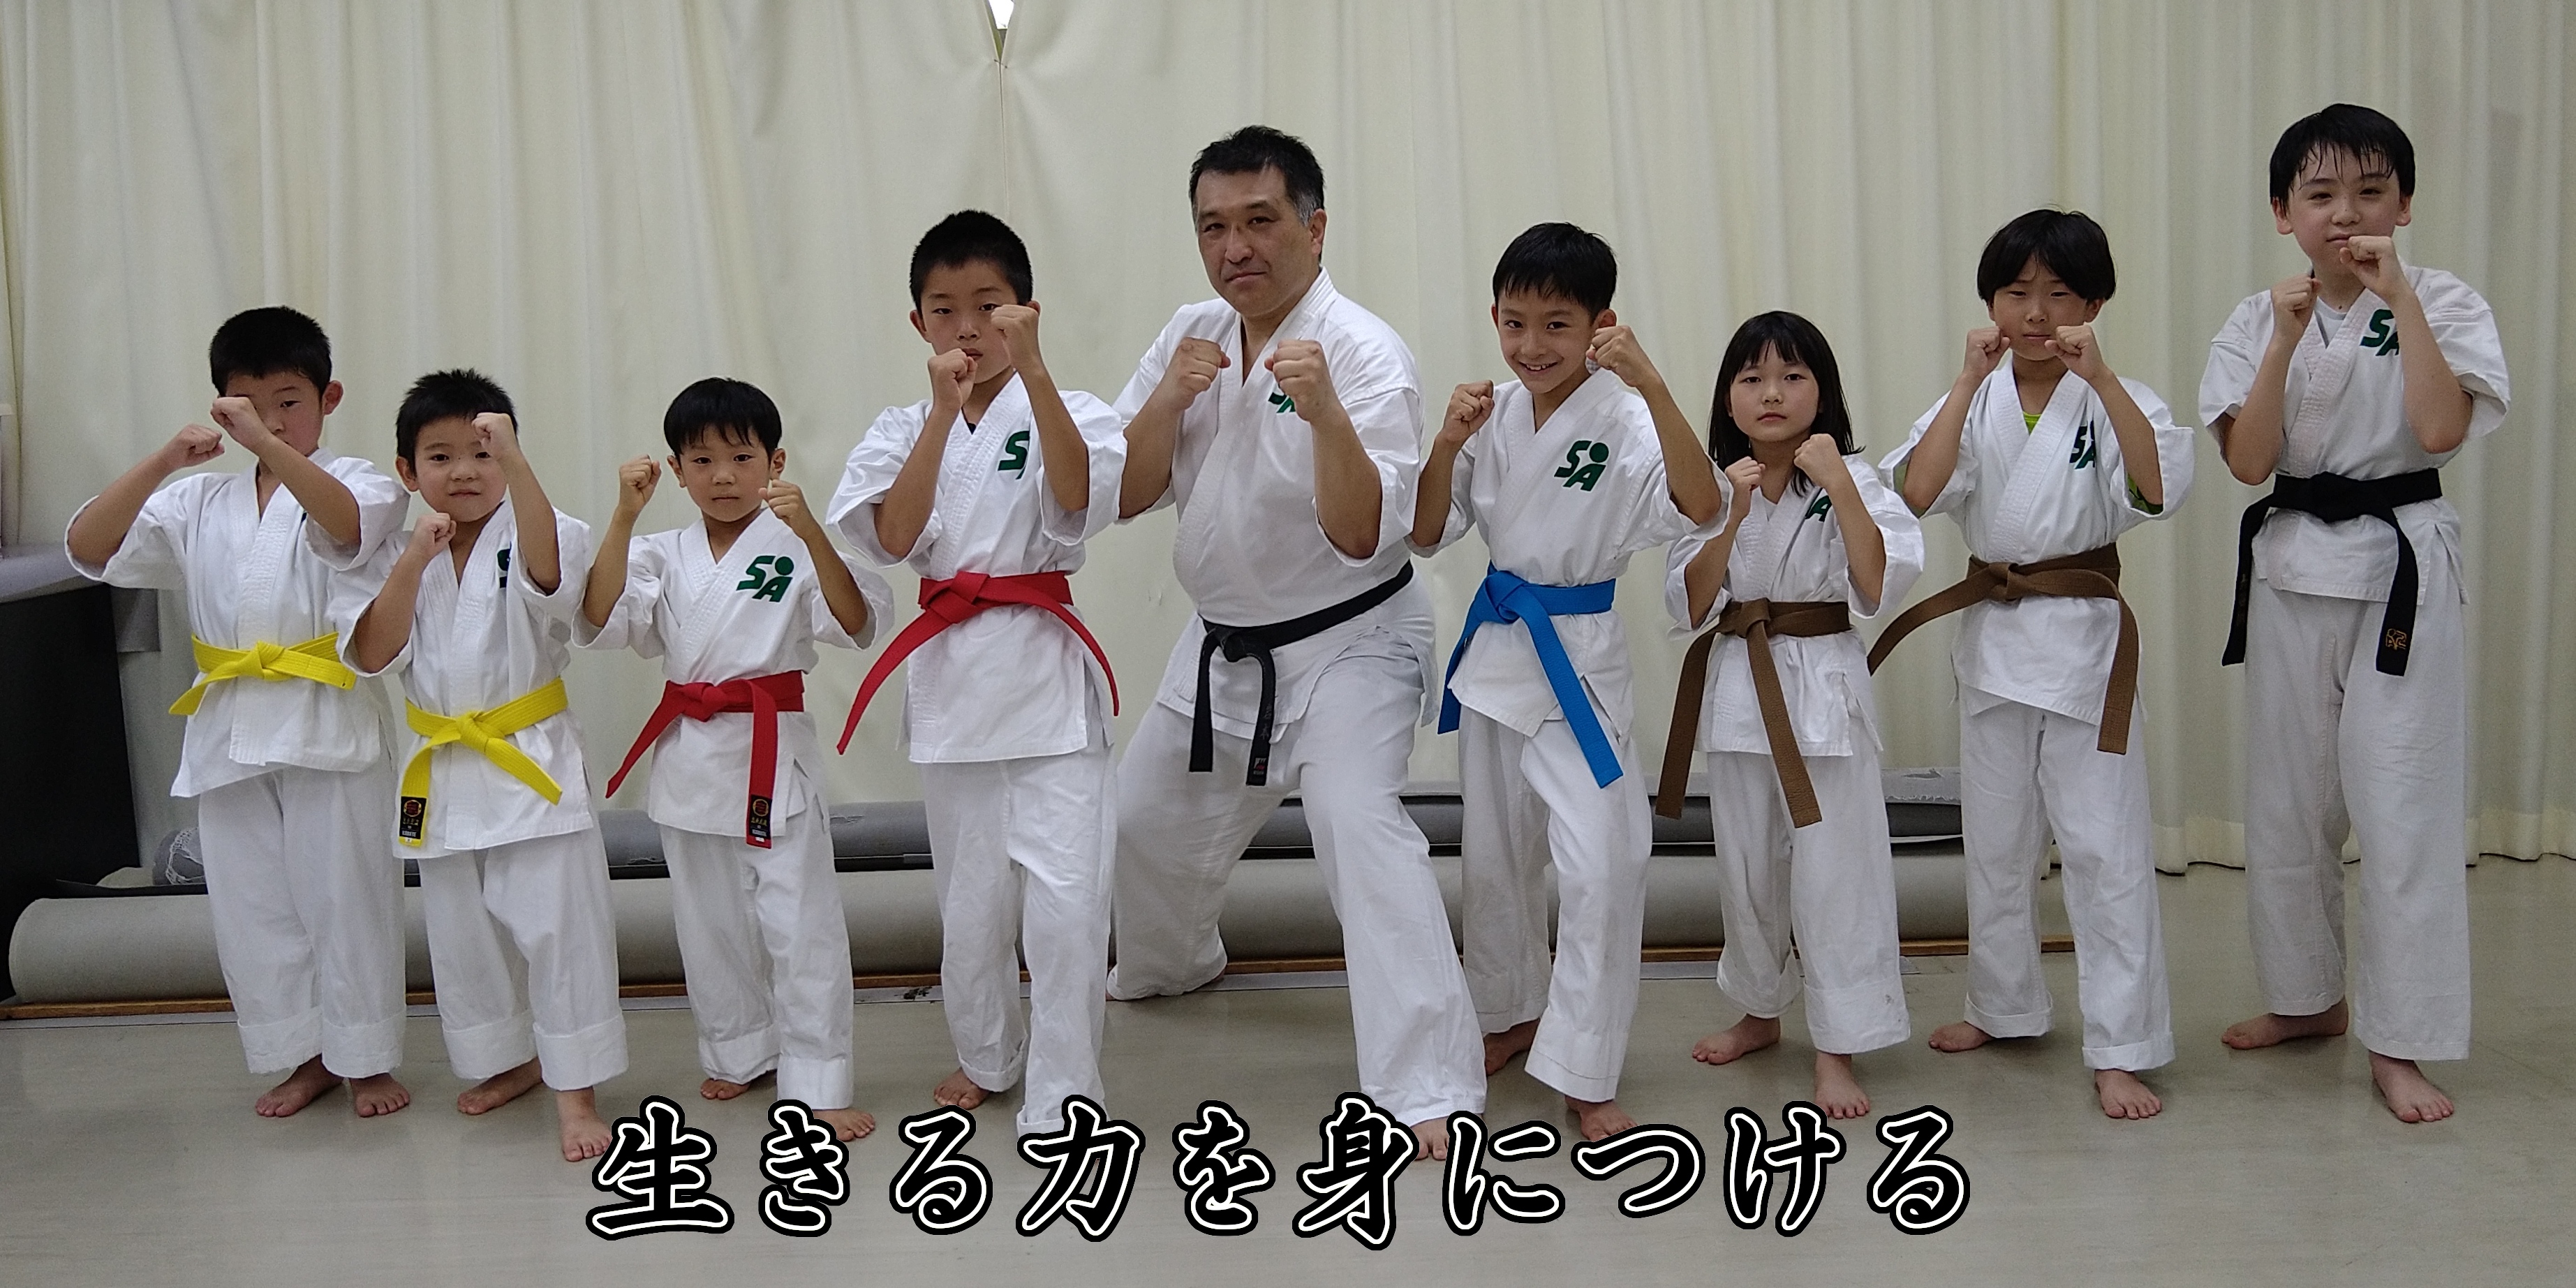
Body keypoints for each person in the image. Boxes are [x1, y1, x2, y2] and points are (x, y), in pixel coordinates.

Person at [1106, 125, 1482, 1158]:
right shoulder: (1191, 335)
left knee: (1359, 829)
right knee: (1138, 824)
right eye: (1213, 227)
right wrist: (1168, 398)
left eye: (1260, 221)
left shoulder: (1362, 351)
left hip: (1349, 643)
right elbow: (1126, 493)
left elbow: (1366, 533)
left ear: (1315, 229)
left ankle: (1429, 1081)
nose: (1236, 248)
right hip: (1223, 646)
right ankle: (1174, 964)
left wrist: (1325, 417)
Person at [2200, 104, 2508, 1124]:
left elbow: (2438, 428)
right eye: (2321, 195)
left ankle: (2401, 1040)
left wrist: (2399, 300)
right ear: (2282, 211)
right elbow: (2249, 462)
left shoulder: (2444, 301)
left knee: (2402, 806)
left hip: (2398, 568)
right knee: (2288, 804)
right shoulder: (2258, 317)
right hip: (2293, 565)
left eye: (2370, 192)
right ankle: (2307, 1000)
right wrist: (2285, 342)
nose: (2346, 214)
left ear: (2403, 205)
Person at [1876, 209, 2193, 1119]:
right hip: (1994, 642)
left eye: (2059, 294)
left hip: (2085, 647)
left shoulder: (2119, 399)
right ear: (1991, 303)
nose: (2036, 313)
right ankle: (2004, 1005)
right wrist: (1963, 381)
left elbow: (2154, 490)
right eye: (2016, 293)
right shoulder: (1973, 400)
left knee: (2103, 849)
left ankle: (2123, 1045)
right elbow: (1915, 491)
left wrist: (2104, 382)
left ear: (2094, 304)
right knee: (1997, 841)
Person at [1410, 223, 1720, 1140]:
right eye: (1515, 323)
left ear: (1600, 326)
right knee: (1493, 857)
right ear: (1494, 319)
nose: (1532, 345)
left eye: (1556, 325)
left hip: (1576, 655)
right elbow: (1425, 533)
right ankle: (1510, 1011)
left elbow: (1703, 504)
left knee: (1603, 862)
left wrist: (1653, 383)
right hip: (1497, 655)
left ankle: (1585, 1066)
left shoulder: (1627, 416)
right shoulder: (1492, 413)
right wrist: (1444, 442)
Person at [64, 306, 413, 1118]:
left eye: (289, 401)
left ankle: (365, 1059)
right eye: (249, 405)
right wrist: (164, 461)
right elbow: (90, 547)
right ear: (221, 404)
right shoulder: (199, 502)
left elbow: (347, 530)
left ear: (329, 398)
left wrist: (265, 444)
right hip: (229, 723)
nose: (272, 420)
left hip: (328, 716)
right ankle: (304, 1056)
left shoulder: (361, 483)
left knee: (347, 898)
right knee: (254, 906)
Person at [828, 211, 1126, 1137]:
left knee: (1068, 906)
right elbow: (892, 538)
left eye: (989, 307)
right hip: (954, 683)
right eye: (944, 309)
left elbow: (1076, 500)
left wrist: (1033, 372)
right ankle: (988, 1054)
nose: (967, 328)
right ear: (917, 322)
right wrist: (936, 416)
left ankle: (1065, 1091)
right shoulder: (897, 428)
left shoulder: (1073, 409)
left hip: (1048, 686)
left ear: (1025, 310)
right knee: (971, 903)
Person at [580, 377, 889, 1141]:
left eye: (742, 458)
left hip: (770, 753)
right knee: (707, 920)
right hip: (690, 756)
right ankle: (740, 1049)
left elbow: (856, 623)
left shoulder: (798, 543)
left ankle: (819, 1076)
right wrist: (623, 515)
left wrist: (811, 531)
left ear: (775, 462)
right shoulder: (658, 552)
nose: (722, 476)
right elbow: (599, 618)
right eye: (702, 460)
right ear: (677, 471)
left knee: (800, 922)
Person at [340, 370, 627, 1160]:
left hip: (529, 760)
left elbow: (552, 580)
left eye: (483, 453)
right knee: (464, 937)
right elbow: (374, 652)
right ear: (408, 471)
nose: (464, 471)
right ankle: (510, 1060)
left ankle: (576, 1092)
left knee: (560, 931)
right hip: (441, 768)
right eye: (441, 457)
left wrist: (520, 465)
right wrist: (413, 559)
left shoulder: (543, 525)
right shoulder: (391, 551)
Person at [1664, 312, 1922, 1119]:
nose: (1771, 393)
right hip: (1742, 691)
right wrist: (1733, 514)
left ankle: (1838, 1045)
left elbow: (1876, 586)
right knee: (1747, 868)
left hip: (1824, 694)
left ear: (1823, 393)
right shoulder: (1713, 489)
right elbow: (1690, 603)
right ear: (1728, 400)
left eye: (1792, 377)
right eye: (1752, 379)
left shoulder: (1858, 479)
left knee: (1837, 874)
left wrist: (1839, 483)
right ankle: (1759, 1010)